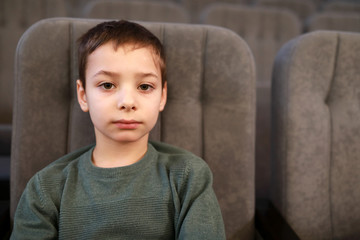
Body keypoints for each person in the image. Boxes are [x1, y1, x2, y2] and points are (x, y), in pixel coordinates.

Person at [11, 20, 226, 239]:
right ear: (83, 95)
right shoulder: (46, 188)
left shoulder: (189, 177)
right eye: (107, 85)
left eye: (144, 87)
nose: (127, 102)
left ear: (162, 97)